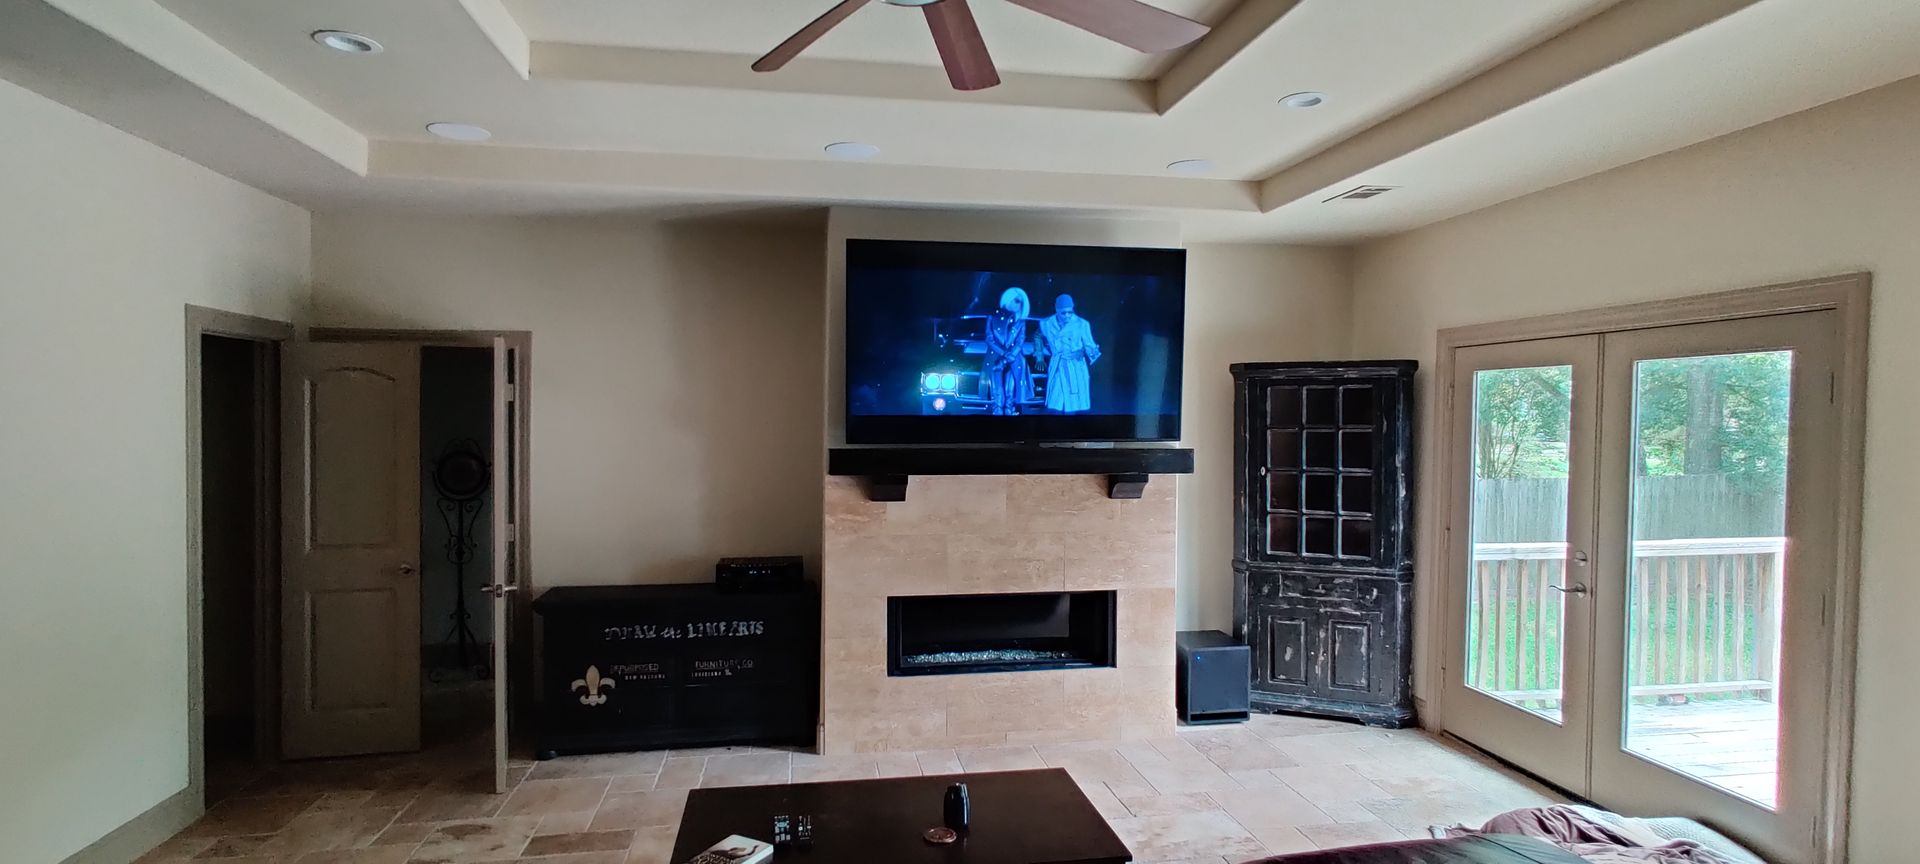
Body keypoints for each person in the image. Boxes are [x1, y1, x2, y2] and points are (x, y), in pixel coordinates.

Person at [1038, 293, 1100, 413]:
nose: (1067, 315)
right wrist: (1040, 355)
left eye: (1070, 312)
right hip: (1057, 365)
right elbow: (1038, 338)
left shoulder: (1082, 324)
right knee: (1055, 404)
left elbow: (1090, 346)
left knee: (1072, 405)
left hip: (1075, 367)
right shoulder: (1046, 323)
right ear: (1056, 310)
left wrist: (1089, 351)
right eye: (1063, 313)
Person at [982, 287, 1033, 415]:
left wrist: (1012, 355)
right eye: (1017, 300)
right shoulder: (992, 318)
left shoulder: (1020, 322)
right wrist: (1004, 354)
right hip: (995, 358)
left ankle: (1009, 411)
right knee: (997, 393)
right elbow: (989, 339)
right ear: (1008, 299)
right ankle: (998, 411)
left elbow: (1020, 340)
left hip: (1014, 360)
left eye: (1021, 302)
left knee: (1010, 392)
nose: (1019, 304)